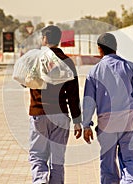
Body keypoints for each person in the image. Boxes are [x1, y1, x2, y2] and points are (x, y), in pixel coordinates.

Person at [82, 33, 133, 184]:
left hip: (106, 125)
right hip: (130, 123)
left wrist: (86, 125)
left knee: (107, 165)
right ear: (115, 48)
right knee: (130, 161)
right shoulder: (129, 67)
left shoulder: (94, 72)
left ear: (99, 49)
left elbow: (89, 102)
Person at [28, 25, 82, 184]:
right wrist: (77, 121)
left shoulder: (35, 59)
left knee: (38, 157)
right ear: (58, 40)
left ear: (44, 39)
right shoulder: (67, 62)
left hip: (38, 113)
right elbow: (73, 95)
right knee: (57, 161)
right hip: (60, 116)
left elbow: (25, 82)